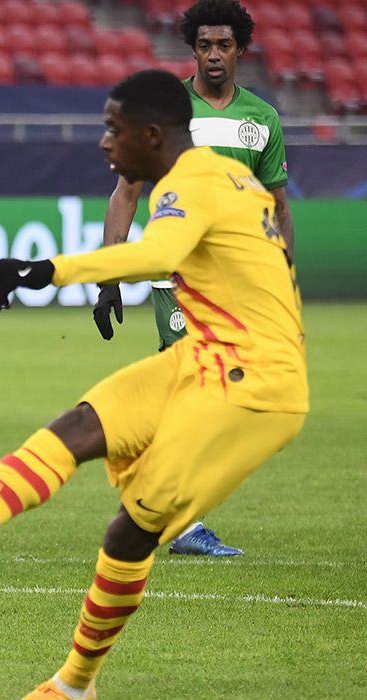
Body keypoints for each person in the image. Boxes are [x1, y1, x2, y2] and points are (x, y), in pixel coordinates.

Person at [0, 70, 306, 700]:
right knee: (79, 426)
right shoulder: (230, 180)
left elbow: (160, 252)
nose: (103, 142)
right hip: (205, 356)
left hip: (254, 382)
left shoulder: (190, 185)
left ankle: (71, 689)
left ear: (152, 135)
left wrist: (48, 270)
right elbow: (269, 260)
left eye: (114, 129)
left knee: (131, 529)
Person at [94, 0, 292, 557]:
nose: (212, 55)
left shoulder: (261, 121)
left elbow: (279, 206)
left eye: (222, 45)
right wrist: (109, 277)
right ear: (192, 48)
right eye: (203, 45)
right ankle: (177, 521)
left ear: (239, 50)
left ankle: (152, 494)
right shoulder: (166, 110)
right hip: (180, 279)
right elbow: (126, 191)